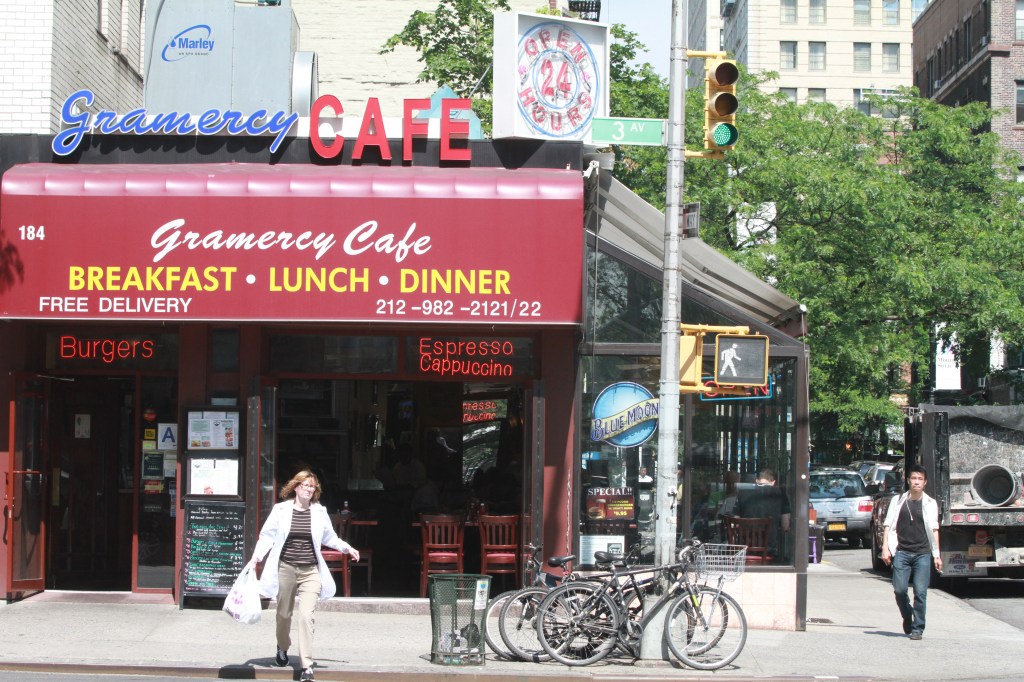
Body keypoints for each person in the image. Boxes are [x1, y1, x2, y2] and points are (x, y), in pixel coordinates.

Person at [247, 470, 360, 682]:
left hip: (310, 570)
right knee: (283, 614)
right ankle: (282, 646)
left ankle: (306, 666)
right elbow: (267, 536)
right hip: (286, 568)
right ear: (296, 487)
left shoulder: (319, 512)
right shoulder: (280, 510)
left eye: (312, 487)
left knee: (307, 616)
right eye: (305, 485)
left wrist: (347, 548)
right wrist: (256, 557)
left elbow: (330, 537)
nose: (309, 489)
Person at [881, 464, 941, 640]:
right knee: (899, 590)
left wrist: (937, 555)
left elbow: (935, 530)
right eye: (913, 478)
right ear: (908, 481)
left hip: (922, 553)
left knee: (920, 592)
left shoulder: (930, 504)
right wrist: (885, 548)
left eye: (920, 479)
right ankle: (907, 615)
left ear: (925, 482)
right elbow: (888, 525)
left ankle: (918, 628)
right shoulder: (898, 501)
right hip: (902, 552)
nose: (916, 482)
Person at [736, 468, 791, 561]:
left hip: (745, 550)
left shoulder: (742, 493)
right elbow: (785, 526)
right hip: (769, 551)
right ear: (773, 482)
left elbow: (736, 522)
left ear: (757, 480)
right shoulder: (780, 494)